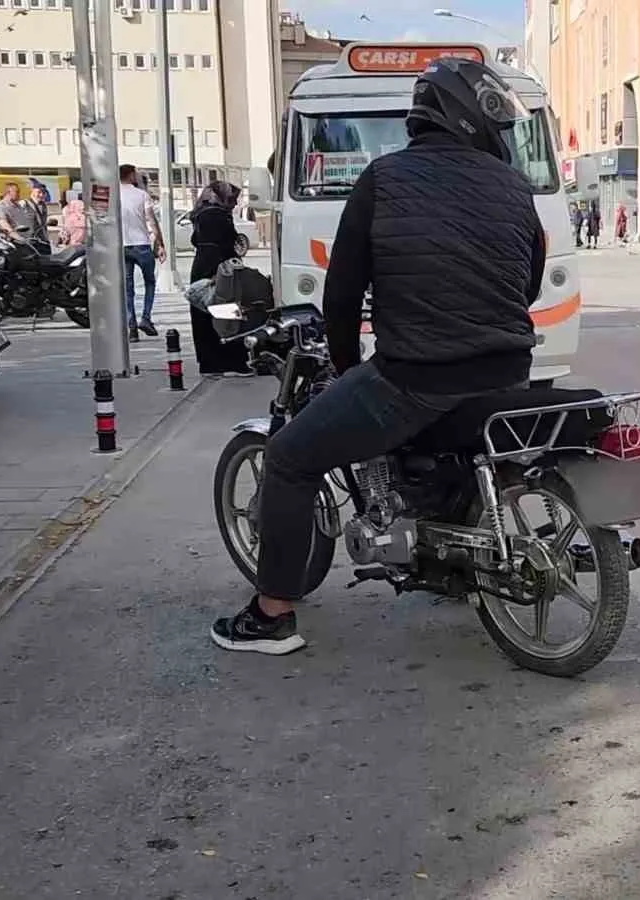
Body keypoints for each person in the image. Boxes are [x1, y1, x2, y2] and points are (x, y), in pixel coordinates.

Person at [210, 57, 546, 655]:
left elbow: (340, 295)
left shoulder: (384, 178)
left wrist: (347, 366)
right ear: (469, 116)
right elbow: (530, 288)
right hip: (509, 371)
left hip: (416, 379)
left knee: (288, 457)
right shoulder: (515, 187)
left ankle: (272, 614)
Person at [187, 181, 252, 376]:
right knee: (228, 313)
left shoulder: (199, 214)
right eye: (232, 199)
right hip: (219, 268)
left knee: (203, 316)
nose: (234, 204)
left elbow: (196, 241)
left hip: (200, 266)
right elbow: (226, 243)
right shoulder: (218, 215)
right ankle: (233, 361)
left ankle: (209, 363)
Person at [118, 164, 166, 340]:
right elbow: (151, 221)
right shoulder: (141, 195)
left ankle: (131, 327)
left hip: (121, 246)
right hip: (142, 245)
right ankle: (146, 318)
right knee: (150, 282)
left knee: (128, 287)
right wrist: (160, 243)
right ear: (130, 175)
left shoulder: (113, 195)